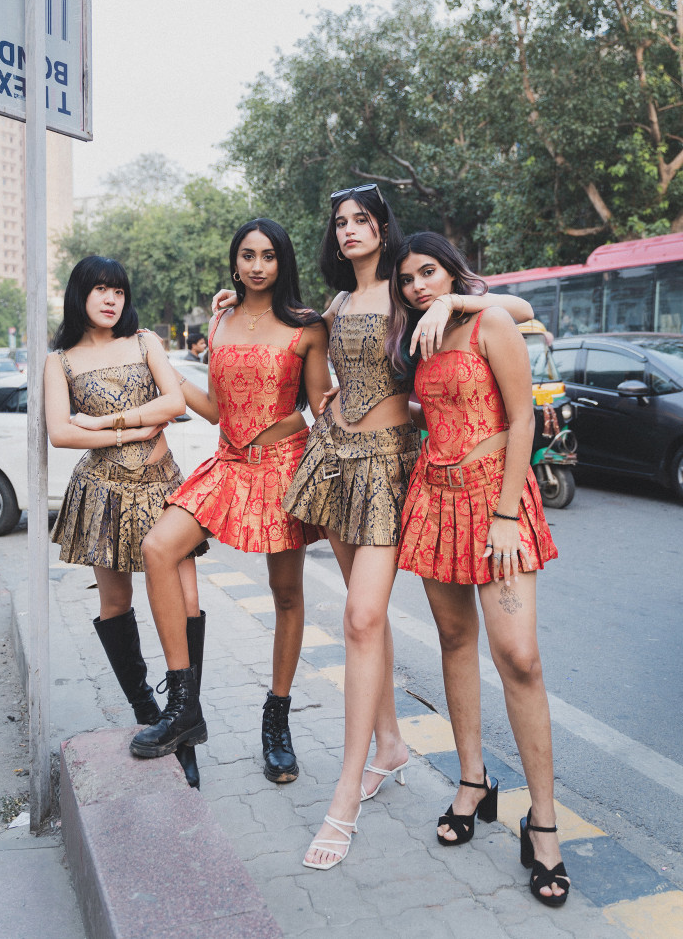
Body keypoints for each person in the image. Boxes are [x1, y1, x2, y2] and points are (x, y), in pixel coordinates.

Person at [279, 185, 535, 871]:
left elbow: (518, 309)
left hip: (394, 468)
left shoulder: (408, 290)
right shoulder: (330, 307)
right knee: (369, 622)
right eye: (341, 222)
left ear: (383, 227)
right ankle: (389, 744)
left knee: (362, 619)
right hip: (332, 464)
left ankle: (345, 798)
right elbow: (285, 337)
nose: (352, 230)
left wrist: (455, 298)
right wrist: (229, 310)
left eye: (363, 219)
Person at [387, 231, 568, 907]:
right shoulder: (419, 339)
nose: (416, 286)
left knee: (519, 656)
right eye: (407, 279)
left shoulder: (488, 319)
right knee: (454, 641)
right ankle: (472, 781)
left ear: (451, 272)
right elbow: (433, 412)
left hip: (498, 500)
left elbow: (521, 420)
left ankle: (543, 822)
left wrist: (502, 516)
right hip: (435, 498)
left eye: (426, 272)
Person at [130, 219, 331, 791]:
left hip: (285, 468)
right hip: (228, 463)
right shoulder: (219, 320)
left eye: (268, 256)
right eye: (247, 255)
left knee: (287, 595)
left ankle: (277, 720)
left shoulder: (307, 326)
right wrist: (159, 365)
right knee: (157, 547)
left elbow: (321, 410)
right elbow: (216, 408)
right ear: (235, 261)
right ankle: (182, 706)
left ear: (282, 262)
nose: (258, 265)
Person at [44, 255, 209, 787]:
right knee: (116, 603)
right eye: (99, 290)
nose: (111, 299)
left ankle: (183, 718)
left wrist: (110, 419)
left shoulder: (145, 343)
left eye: (118, 290)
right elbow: (61, 434)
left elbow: (172, 401)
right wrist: (125, 435)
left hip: (161, 487)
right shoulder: (60, 361)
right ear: (80, 296)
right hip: (103, 494)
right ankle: (147, 712)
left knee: (187, 602)